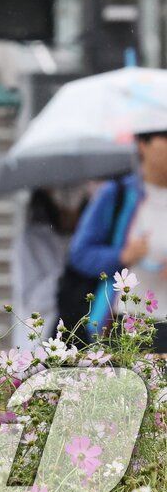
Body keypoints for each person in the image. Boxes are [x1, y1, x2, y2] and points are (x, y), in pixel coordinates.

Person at [68, 120, 167, 349]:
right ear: (143, 144)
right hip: (128, 320)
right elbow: (80, 254)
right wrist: (123, 256)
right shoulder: (118, 194)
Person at [12, 186, 85, 349]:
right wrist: (68, 271)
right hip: (41, 331)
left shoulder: (77, 236)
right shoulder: (32, 238)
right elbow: (33, 299)